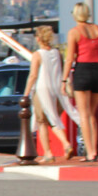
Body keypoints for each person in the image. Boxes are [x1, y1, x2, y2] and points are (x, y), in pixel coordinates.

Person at [61, 2, 98, 161]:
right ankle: (93, 150)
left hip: (83, 71)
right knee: (91, 113)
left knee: (83, 114)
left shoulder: (74, 32)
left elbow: (69, 59)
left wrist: (64, 79)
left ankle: (90, 152)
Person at [24, 25, 77, 162]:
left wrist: (26, 93)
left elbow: (33, 75)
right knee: (53, 119)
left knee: (42, 122)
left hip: (41, 90)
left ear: (38, 38)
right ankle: (65, 143)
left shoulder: (38, 54)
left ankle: (49, 153)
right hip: (56, 90)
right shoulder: (56, 53)